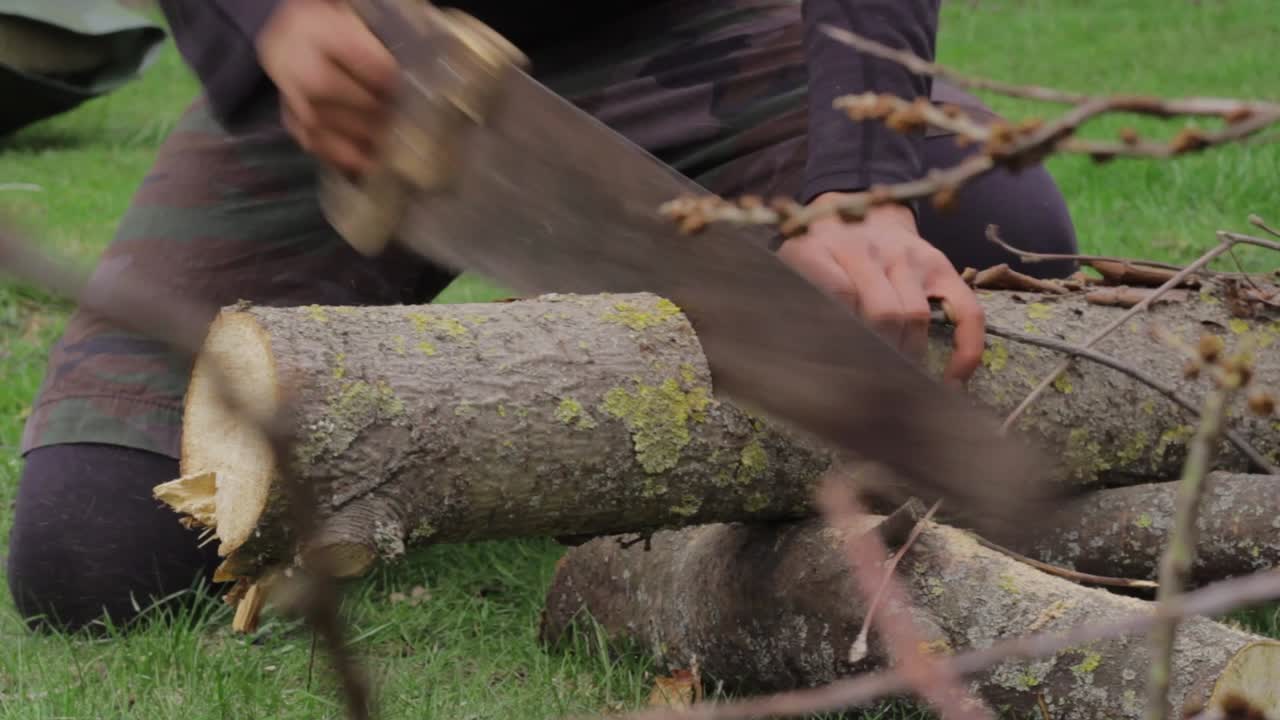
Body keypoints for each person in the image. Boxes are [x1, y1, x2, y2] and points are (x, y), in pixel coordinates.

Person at [6, 0, 1078, 633]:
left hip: (668, 32)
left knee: (986, 231)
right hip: (345, 83)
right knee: (93, 554)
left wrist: (856, 185)